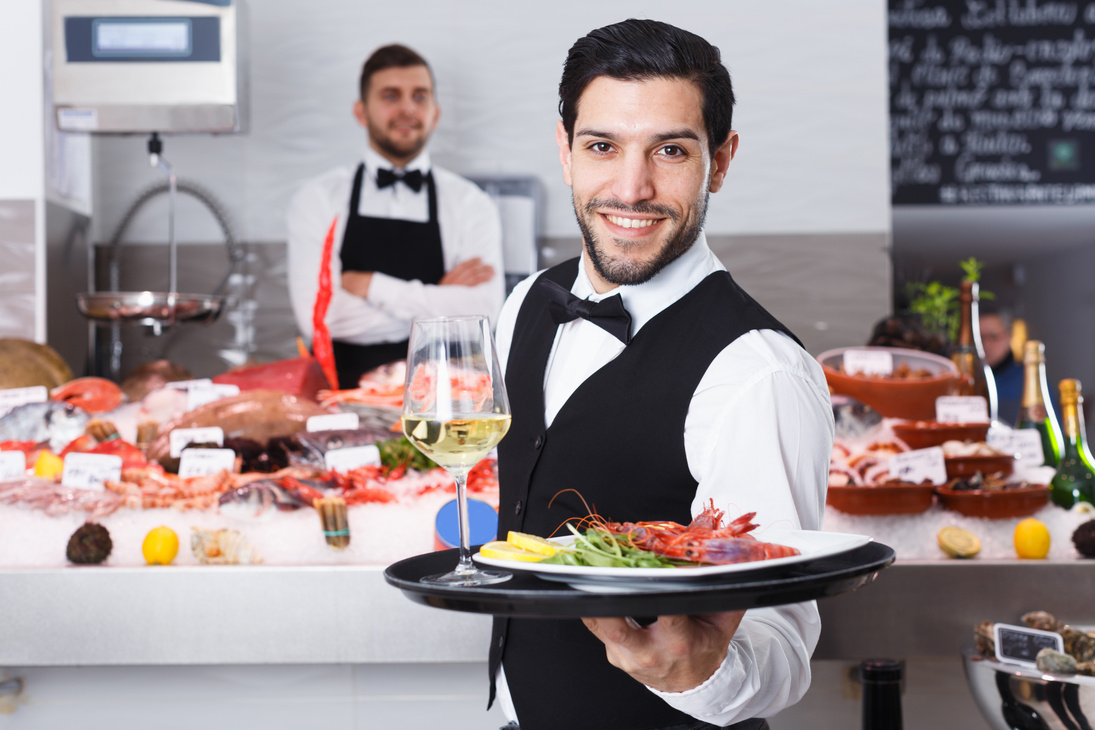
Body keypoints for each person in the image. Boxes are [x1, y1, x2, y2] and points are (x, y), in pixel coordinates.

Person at [489, 19, 834, 730]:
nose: (630, 186)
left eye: (669, 150)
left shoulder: (758, 371)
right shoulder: (524, 302)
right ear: (564, 151)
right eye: (601, 146)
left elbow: (783, 644)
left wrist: (700, 671)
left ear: (722, 159)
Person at [286, 44, 505, 389]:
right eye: (391, 96)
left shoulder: (471, 203)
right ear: (361, 112)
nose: (407, 108)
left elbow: (484, 314)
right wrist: (440, 302)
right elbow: (321, 321)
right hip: (341, 400)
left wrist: (369, 285)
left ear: (436, 112)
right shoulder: (317, 199)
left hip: (446, 405)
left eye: (420, 96)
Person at [979, 305, 1023, 424]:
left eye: (993, 336)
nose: (985, 344)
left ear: (1009, 336)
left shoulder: (1027, 381)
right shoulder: (972, 382)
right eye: (979, 338)